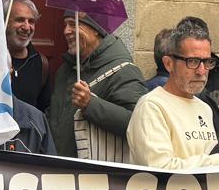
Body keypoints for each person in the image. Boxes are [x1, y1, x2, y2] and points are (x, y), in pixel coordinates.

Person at [128, 24, 219, 169]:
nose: (201, 71)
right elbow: (158, 168)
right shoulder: (151, 107)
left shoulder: (205, 108)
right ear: (169, 64)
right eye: (192, 61)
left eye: (207, 62)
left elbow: (208, 156)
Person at [46, 14, 147, 161]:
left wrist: (91, 104)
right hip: (57, 167)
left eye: (73, 24)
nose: (66, 31)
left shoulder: (123, 71)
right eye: (65, 24)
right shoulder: (65, 70)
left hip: (94, 172)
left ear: (96, 29)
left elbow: (138, 124)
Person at [5, 0, 54, 110]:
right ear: (5, 21)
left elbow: (44, 110)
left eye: (31, 21)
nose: (27, 27)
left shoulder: (41, 64)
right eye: (20, 20)